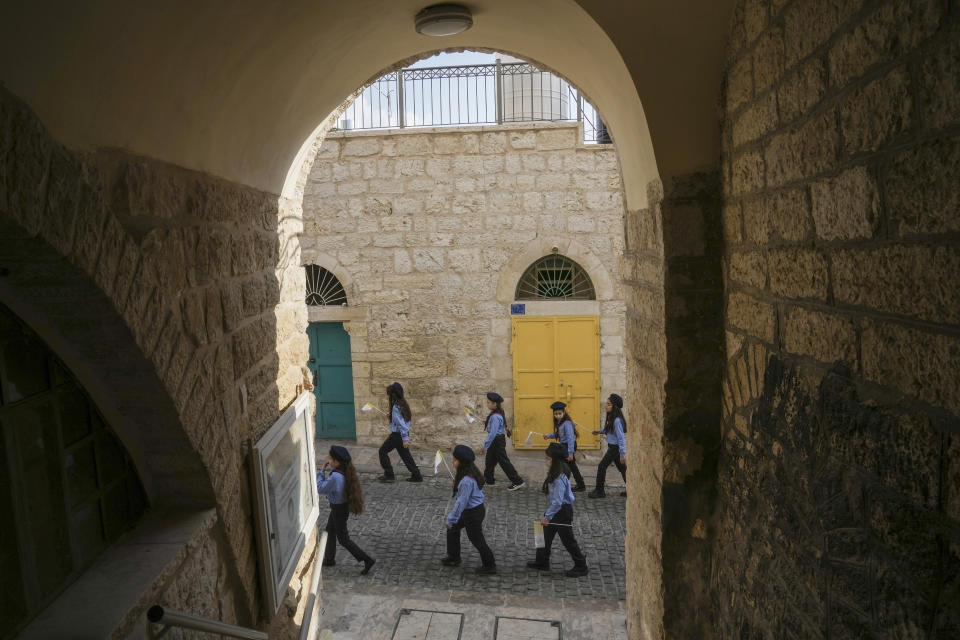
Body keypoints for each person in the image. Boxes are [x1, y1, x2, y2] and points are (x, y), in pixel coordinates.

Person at [527, 442, 588, 577]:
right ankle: (542, 561)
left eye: (548, 459)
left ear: (555, 461)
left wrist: (547, 517)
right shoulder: (555, 473)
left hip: (562, 512)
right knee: (542, 534)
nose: (546, 461)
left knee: (568, 541)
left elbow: (558, 502)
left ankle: (581, 565)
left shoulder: (559, 478)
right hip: (556, 510)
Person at [316, 445, 376, 574]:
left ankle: (367, 559)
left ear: (336, 462)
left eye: (330, 458)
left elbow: (321, 488)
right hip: (339, 508)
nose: (328, 460)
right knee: (329, 532)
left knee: (343, 539)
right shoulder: (343, 471)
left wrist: (321, 472)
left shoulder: (335, 477)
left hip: (338, 510)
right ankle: (329, 559)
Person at [441, 445, 497, 575]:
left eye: (454, 460)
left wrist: (451, 518)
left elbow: (461, 502)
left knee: (477, 539)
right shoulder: (468, 472)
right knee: (453, 529)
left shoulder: (466, 480)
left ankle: (490, 565)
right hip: (474, 510)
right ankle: (453, 557)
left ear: (461, 462)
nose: (452, 462)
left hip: (472, 513)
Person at [377, 382, 423, 483]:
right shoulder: (403, 403)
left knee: (382, 451)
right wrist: (392, 416)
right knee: (406, 456)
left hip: (397, 436)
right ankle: (416, 475)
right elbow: (405, 420)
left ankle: (389, 475)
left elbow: (401, 424)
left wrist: (405, 438)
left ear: (393, 394)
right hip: (400, 436)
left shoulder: (395, 407)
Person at [481, 392, 525, 491]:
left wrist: (485, 446)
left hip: (496, 441)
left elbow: (492, 433)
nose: (487, 404)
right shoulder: (497, 413)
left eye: (488, 403)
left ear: (494, 404)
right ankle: (489, 480)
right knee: (489, 461)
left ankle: (518, 481)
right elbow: (497, 425)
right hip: (496, 440)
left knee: (504, 462)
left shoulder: (495, 416)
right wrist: (488, 422)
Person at [541, 401, 586, 491]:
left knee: (559, 463)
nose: (557, 416)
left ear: (564, 413)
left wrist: (570, 453)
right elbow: (559, 434)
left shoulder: (567, 423)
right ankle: (580, 485)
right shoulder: (560, 422)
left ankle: (548, 485)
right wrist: (548, 436)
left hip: (569, 446)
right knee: (571, 465)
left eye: (559, 413)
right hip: (564, 446)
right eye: (556, 414)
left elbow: (570, 438)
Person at [589, 393, 627, 498]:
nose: (606, 406)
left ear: (615, 406)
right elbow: (608, 430)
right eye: (606, 403)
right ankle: (631, 490)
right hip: (613, 447)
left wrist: (623, 454)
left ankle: (600, 491)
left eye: (609, 404)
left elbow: (621, 438)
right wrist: (599, 431)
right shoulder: (611, 418)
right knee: (623, 469)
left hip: (615, 448)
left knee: (602, 466)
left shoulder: (617, 421)